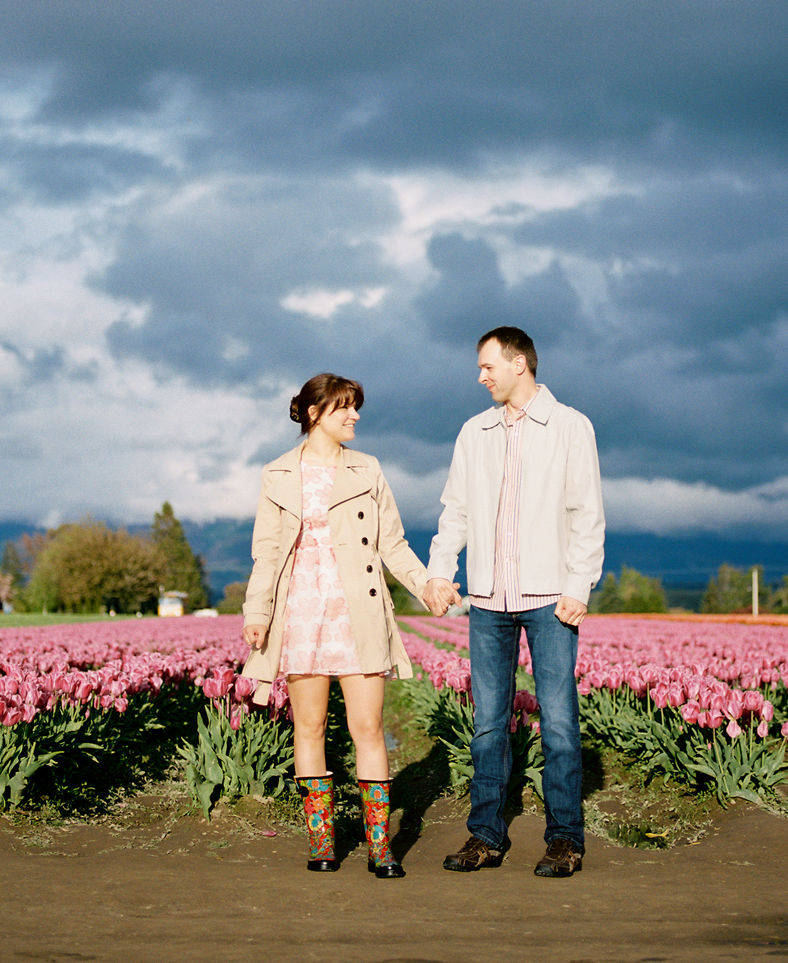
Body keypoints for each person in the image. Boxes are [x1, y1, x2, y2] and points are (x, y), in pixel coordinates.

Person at [241, 372, 441, 877]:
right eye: (343, 408)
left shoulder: (368, 469)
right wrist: (257, 612)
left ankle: (380, 848)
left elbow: (392, 543)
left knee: (367, 727)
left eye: (356, 408)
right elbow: (266, 553)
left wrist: (427, 585)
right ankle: (323, 845)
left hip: (359, 610)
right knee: (308, 727)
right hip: (300, 611)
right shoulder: (277, 474)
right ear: (314, 413)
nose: (354, 416)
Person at [423, 326, 606, 878]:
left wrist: (579, 585)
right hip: (486, 599)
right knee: (487, 724)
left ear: (520, 363)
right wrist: (439, 573)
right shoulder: (473, 432)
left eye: (488, 367)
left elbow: (586, 514)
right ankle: (486, 836)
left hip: (551, 599)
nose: (480, 377)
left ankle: (565, 840)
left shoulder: (570, 427)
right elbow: (455, 511)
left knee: (558, 724)